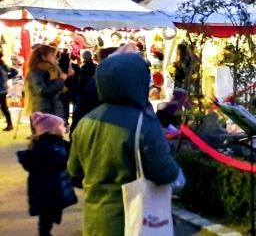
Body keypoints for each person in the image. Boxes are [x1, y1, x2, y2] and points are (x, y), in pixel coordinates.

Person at [68, 46, 184, 235]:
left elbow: (75, 172)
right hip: (133, 221)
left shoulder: (85, 122)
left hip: (95, 221)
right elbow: (165, 173)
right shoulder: (143, 123)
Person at [17, 112, 77, 236]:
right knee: (46, 214)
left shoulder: (58, 142)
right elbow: (54, 160)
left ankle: (46, 231)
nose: (64, 128)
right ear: (52, 130)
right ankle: (44, 233)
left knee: (51, 212)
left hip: (53, 187)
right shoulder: (45, 146)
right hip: (45, 188)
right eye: (61, 126)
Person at [25, 45, 68, 118]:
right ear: (44, 57)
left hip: (53, 110)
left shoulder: (52, 70)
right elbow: (42, 91)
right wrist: (60, 81)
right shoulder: (35, 72)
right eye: (53, 56)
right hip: (43, 111)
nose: (55, 58)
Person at [0, 49, 13, 130]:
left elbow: (14, 72)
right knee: (4, 107)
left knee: (4, 107)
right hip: (3, 89)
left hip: (1, 89)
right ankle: (9, 124)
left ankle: (10, 124)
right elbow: (14, 72)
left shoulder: (2, 65)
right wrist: (7, 78)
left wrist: (6, 78)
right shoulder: (3, 64)